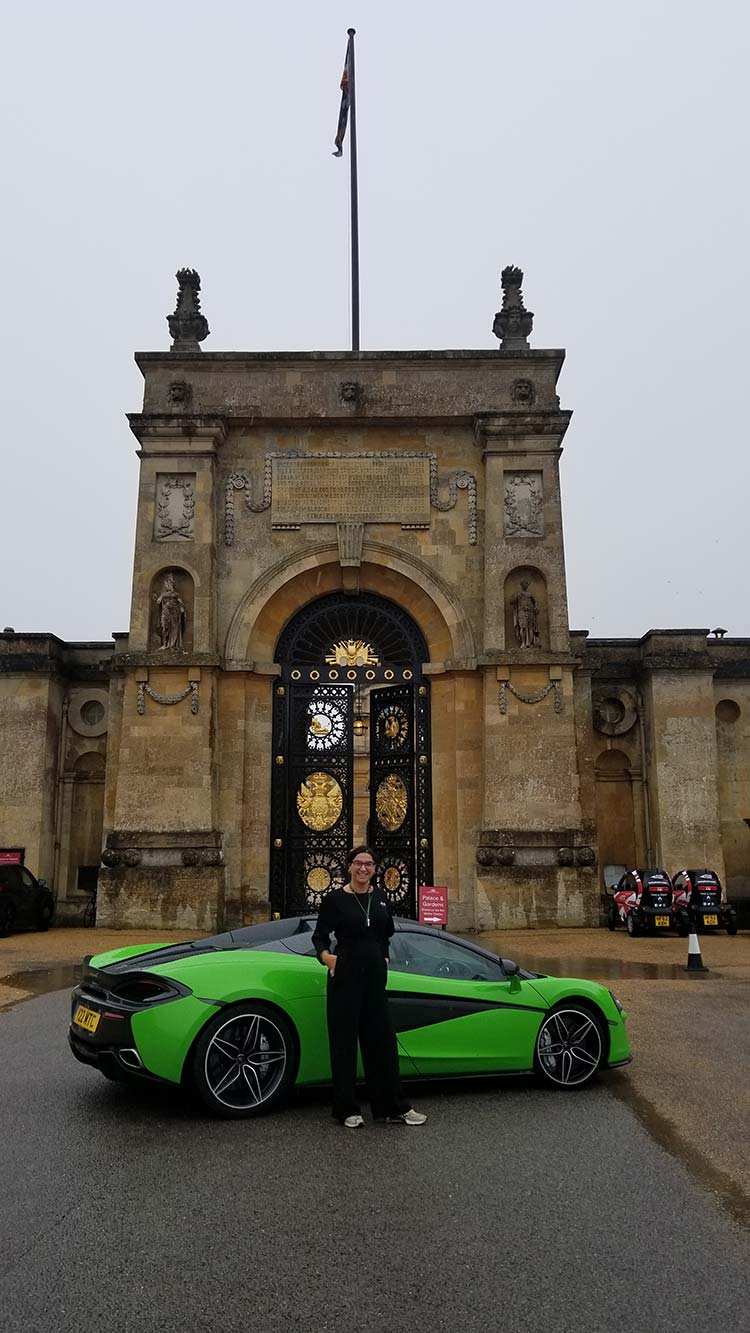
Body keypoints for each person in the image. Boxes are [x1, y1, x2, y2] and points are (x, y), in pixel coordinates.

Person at [312, 845, 427, 1128]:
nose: (363, 868)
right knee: (344, 1043)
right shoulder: (335, 900)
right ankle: (346, 1108)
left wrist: (384, 955)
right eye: (358, 863)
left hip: (375, 976)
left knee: (383, 1042)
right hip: (345, 974)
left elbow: (386, 932)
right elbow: (319, 936)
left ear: (375, 869)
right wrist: (328, 959)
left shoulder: (380, 897)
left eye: (369, 864)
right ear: (349, 866)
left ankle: (392, 1106)